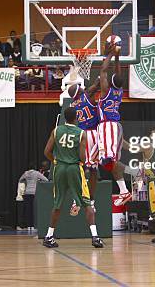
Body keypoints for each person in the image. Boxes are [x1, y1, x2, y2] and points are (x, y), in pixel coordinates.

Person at [42, 108, 103, 248]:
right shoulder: (81, 133)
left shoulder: (56, 130)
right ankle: (95, 237)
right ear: (76, 118)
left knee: (57, 203)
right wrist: (84, 163)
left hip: (59, 168)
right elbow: (82, 157)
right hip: (74, 168)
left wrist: (56, 161)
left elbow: (46, 152)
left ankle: (49, 236)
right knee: (87, 202)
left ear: (64, 117)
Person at [97, 45, 130, 206]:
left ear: (110, 82)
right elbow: (118, 74)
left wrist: (109, 54)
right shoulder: (120, 91)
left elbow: (103, 70)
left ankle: (134, 172)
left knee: (107, 161)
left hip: (108, 126)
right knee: (107, 161)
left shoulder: (105, 91)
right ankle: (123, 190)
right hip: (115, 126)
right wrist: (118, 56)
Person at [69, 78, 101, 210]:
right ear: (79, 90)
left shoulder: (72, 104)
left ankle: (76, 199)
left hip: (80, 135)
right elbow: (95, 86)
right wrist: (100, 78)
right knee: (93, 170)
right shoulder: (86, 96)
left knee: (79, 168)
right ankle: (91, 200)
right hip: (92, 134)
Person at [18, 165, 49, 230]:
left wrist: (26, 181)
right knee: (34, 210)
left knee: (28, 210)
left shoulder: (26, 173)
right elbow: (46, 180)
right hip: (34, 193)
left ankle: (29, 226)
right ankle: (34, 226)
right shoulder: (36, 173)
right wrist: (38, 180)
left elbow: (20, 180)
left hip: (27, 193)